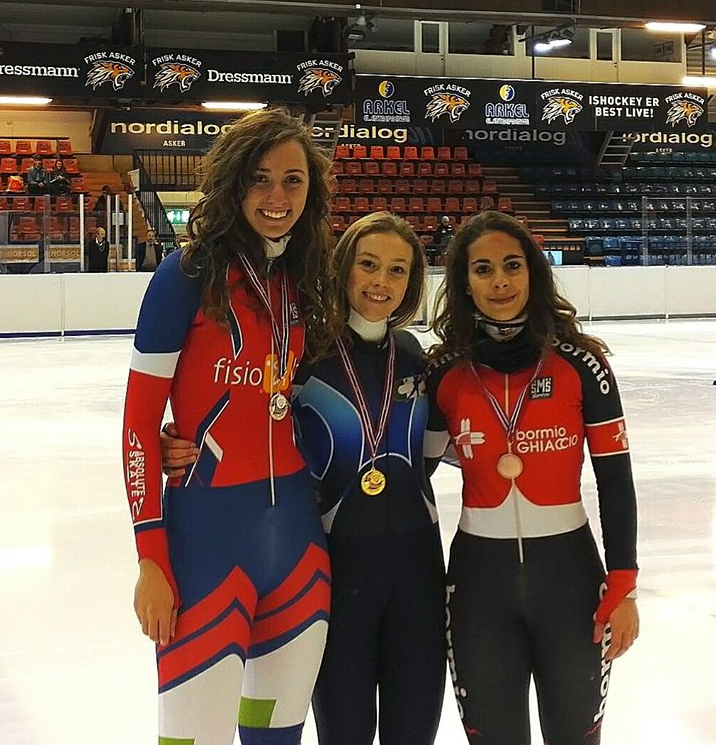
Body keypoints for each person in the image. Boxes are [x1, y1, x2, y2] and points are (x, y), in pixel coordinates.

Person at [160, 212, 447, 745]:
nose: (381, 282)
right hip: (339, 569)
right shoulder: (306, 354)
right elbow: (251, 420)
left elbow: (439, 449)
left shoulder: (415, 357)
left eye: (398, 270)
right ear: (344, 268)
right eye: (368, 264)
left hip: (419, 573)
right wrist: (177, 439)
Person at [122, 109, 338, 745]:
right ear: (232, 183)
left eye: (293, 180)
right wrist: (151, 559)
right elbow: (138, 424)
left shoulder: (306, 278)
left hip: (298, 551)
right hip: (205, 548)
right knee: (193, 739)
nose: (277, 197)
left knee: (275, 735)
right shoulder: (185, 276)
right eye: (259, 178)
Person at [424, 210, 639, 745]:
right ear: (464, 282)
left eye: (512, 266)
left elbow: (616, 479)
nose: (499, 281)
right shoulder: (444, 372)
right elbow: (411, 477)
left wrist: (624, 583)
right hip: (479, 589)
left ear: (534, 273)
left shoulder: (582, 365)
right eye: (483, 269)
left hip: (571, 583)